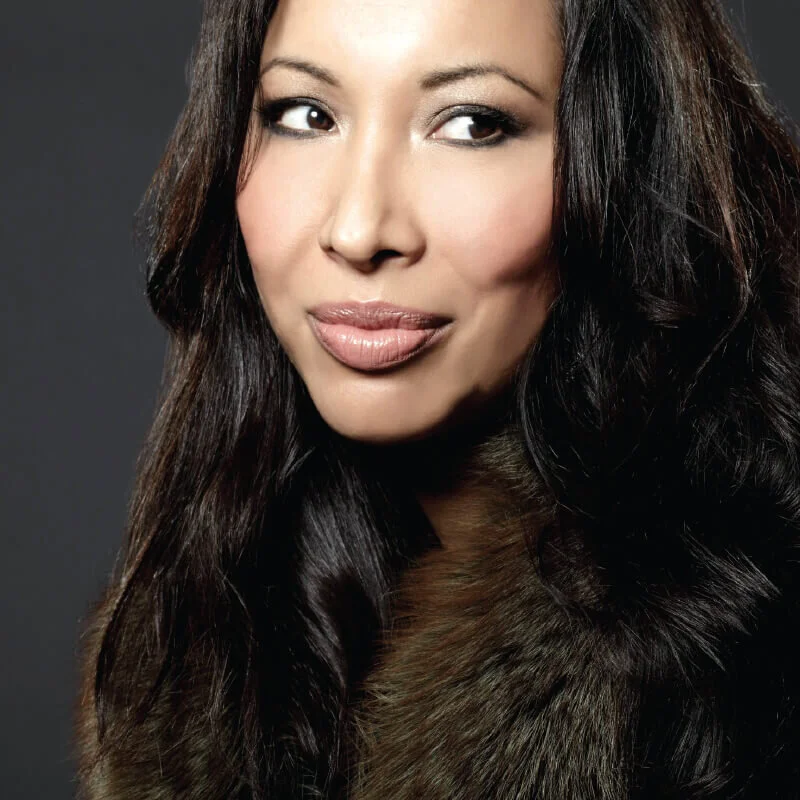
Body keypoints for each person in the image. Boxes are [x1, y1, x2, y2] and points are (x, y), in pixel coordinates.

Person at [73, 0, 800, 796]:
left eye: (473, 124)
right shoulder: (193, 639)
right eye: (305, 115)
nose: (359, 230)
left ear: (627, 162)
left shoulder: (756, 652)